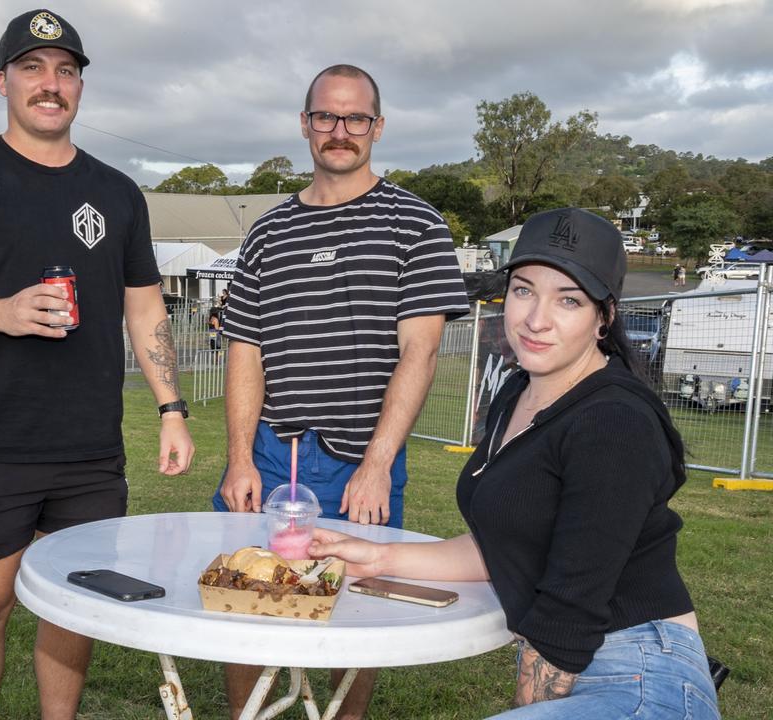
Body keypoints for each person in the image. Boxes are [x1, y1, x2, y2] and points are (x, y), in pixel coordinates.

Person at [0, 9, 195, 718]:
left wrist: (171, 410)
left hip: (90, 448)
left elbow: (144, 309)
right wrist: (1, 311)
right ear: (3, 81)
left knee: (75, 605)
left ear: (80, 87)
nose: (50, 84)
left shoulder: (117, 192)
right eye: (32, 68)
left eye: (65, 71)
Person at [312, 208, 720, 719]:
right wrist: (379, 559)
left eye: (568, 300)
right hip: (588, 663)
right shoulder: (517, 390)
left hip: (640, 671)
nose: (535, 319)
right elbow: (512, 546)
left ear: (604, 317)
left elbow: (569, 613)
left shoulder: (614, 422)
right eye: (524, 290)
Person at [212, 64, 468, 719]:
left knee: (360, 615)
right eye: (326, 116)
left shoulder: (417, 223)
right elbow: (246, 349)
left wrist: (378, 464)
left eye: (356, 118)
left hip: (363, 459)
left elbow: (422, 348)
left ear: (377, 128)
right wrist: (240, 456)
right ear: (305, 124)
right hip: (274, 455)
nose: (340, 131)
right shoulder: (268, 232)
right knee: (247, 604)